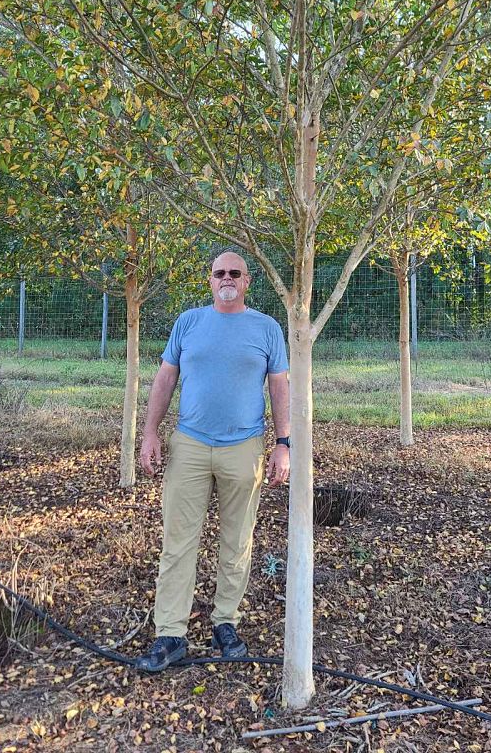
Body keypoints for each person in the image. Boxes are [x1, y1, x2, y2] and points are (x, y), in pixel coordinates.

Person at [136, 250, 290, 673]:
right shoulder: (188, 323)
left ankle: (226, 622)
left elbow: (279, 386)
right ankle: (170, 633)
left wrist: (284, 443)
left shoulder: (267, 329)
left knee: (237, 540)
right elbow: (166, 377)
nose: (226, 278)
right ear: (210, 280)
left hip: (243, 447)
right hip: (189, 444)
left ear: (247, 281)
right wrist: (150, 432)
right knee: (178, 540)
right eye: (219, 272)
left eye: (234, 273)